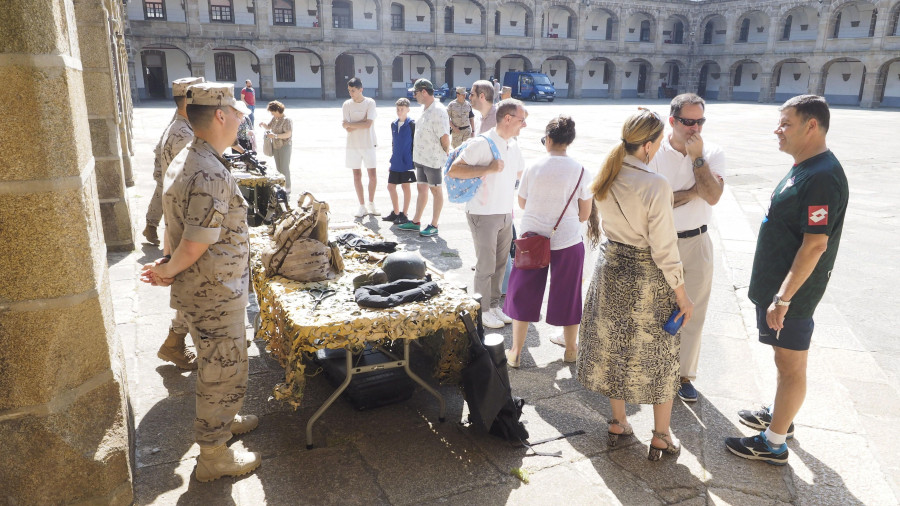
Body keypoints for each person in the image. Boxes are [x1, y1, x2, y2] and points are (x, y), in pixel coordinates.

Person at [141, 82, 260, 482]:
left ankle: (223, 420)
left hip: (206, 286)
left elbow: (174, 230)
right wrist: (168, 269)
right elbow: (194, 242)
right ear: (221, 116)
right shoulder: (208, 171)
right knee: (222, 369)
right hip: (215, 290)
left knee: (217, 364)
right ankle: (213, 455)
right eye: (237, 115)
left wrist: (168, 264)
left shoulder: (191, 156)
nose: (241, 121)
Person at [725, 95, 849, 465]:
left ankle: (774, 442)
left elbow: (815, 246)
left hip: (792, 294)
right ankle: (782, 415)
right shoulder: (806, 166)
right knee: (784, 360)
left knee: (791, 365)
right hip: (781, 288)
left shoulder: (823, 176)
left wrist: (783, 298)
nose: (777, 130)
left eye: (786, 123)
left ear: (812, 125)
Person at [577, 108, 694, 461]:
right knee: (659, 353)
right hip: (646, 278)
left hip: (610, 269)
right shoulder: (655, 184)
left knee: (613, 347)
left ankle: (618, 421)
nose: (659, 149)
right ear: (647, 145)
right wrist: (682, 294)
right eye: (658, 143)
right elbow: (664, 248)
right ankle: (661, 435)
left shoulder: (607, 172)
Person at [648, 93, 725, 402]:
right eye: (688, 122)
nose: (695, 128)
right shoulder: (653, 151)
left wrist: (698, 160)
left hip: (697, 241)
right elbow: (653, 202)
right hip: (660, 240)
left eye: (700, 121)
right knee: (651, 307)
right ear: (672, 121)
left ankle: (684, 375)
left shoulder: (712, 152)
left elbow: (712, 195)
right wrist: (691, 192)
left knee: (693, 311)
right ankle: (652, 367)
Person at [503, 115, 595, 367]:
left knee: (523, 293)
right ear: (569, 142)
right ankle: (571, 349)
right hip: (567, 240)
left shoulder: (534, 166)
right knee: (569, 294)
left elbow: (522, 202)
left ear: (549, 139)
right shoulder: (582, 170)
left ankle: (516, 351)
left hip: (533, 240)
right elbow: (585, 214)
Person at [448, 99, 527, 329]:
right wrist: (488, 168)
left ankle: (493, 306)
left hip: (505, 213)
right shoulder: (482, 143)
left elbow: (522, 176)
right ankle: (481, 311)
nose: (524, 125)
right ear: (508, 118)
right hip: (483, 213)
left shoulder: (513, 145)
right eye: (522, 120)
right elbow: (455, 170)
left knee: (501, 264)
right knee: (485, 265)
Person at [144, 76, 204, 371]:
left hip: (178, 216)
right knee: (189, 283)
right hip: (184, 218)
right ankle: (177, 341)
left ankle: (177, 340)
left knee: (187, 282)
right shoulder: (183, 133)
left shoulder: (178, 127)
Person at [144, 76, 204, 247]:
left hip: (169, 154)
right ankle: (151, 224)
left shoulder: (186, 115)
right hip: (169, 156)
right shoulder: (183, 126)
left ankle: (152, 225)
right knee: (163, 189)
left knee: (164, 190)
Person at [398, 79, 450, 237]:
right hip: (421, 157)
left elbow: (445, 137)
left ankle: (434, 224)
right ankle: (416, 222)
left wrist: (445, 154)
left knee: (436, 190)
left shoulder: (438, 110)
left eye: (416, 92)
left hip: (433, 158)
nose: (414, 95)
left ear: (424, 92)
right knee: (421, 188)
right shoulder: (424, 108)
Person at [342, 77, 379, 218]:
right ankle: (362, 205)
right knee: (357, 175)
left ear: (360, 89)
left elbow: (368, 124)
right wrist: (361, 122)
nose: (351, 93)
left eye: (353, 91)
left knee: (372, 175)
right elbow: (346, 127)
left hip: (369, 143)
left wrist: (353, 124)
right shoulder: (346, 104)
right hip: (352, 145)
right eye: (349, 91)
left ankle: (371, 203)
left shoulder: (370, 103)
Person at [383, 98, 416, 225]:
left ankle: (404, 214)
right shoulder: (393, 124)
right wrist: (392, 161)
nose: (399, 111)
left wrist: (413, 161)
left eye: (402, 109)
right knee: (391, 186)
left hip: (407, 162)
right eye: (398, 109)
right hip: (396, 161)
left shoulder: (412, 124)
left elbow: (415, 144)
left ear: (408, 109)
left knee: (405, 186)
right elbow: (394, 143)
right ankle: (396, 212)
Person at [258, 101, 293, 193]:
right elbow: (269, 127)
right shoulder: (275, 118)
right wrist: (263, 124)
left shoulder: (286, 120)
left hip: (285, 146)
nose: (271, 114)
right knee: (278, 168)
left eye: (272, 112)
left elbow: (288, 134)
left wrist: (275, 136)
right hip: (275, 146)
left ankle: (287, 188)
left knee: (284, 167)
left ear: (278, 110)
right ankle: (281, 186)